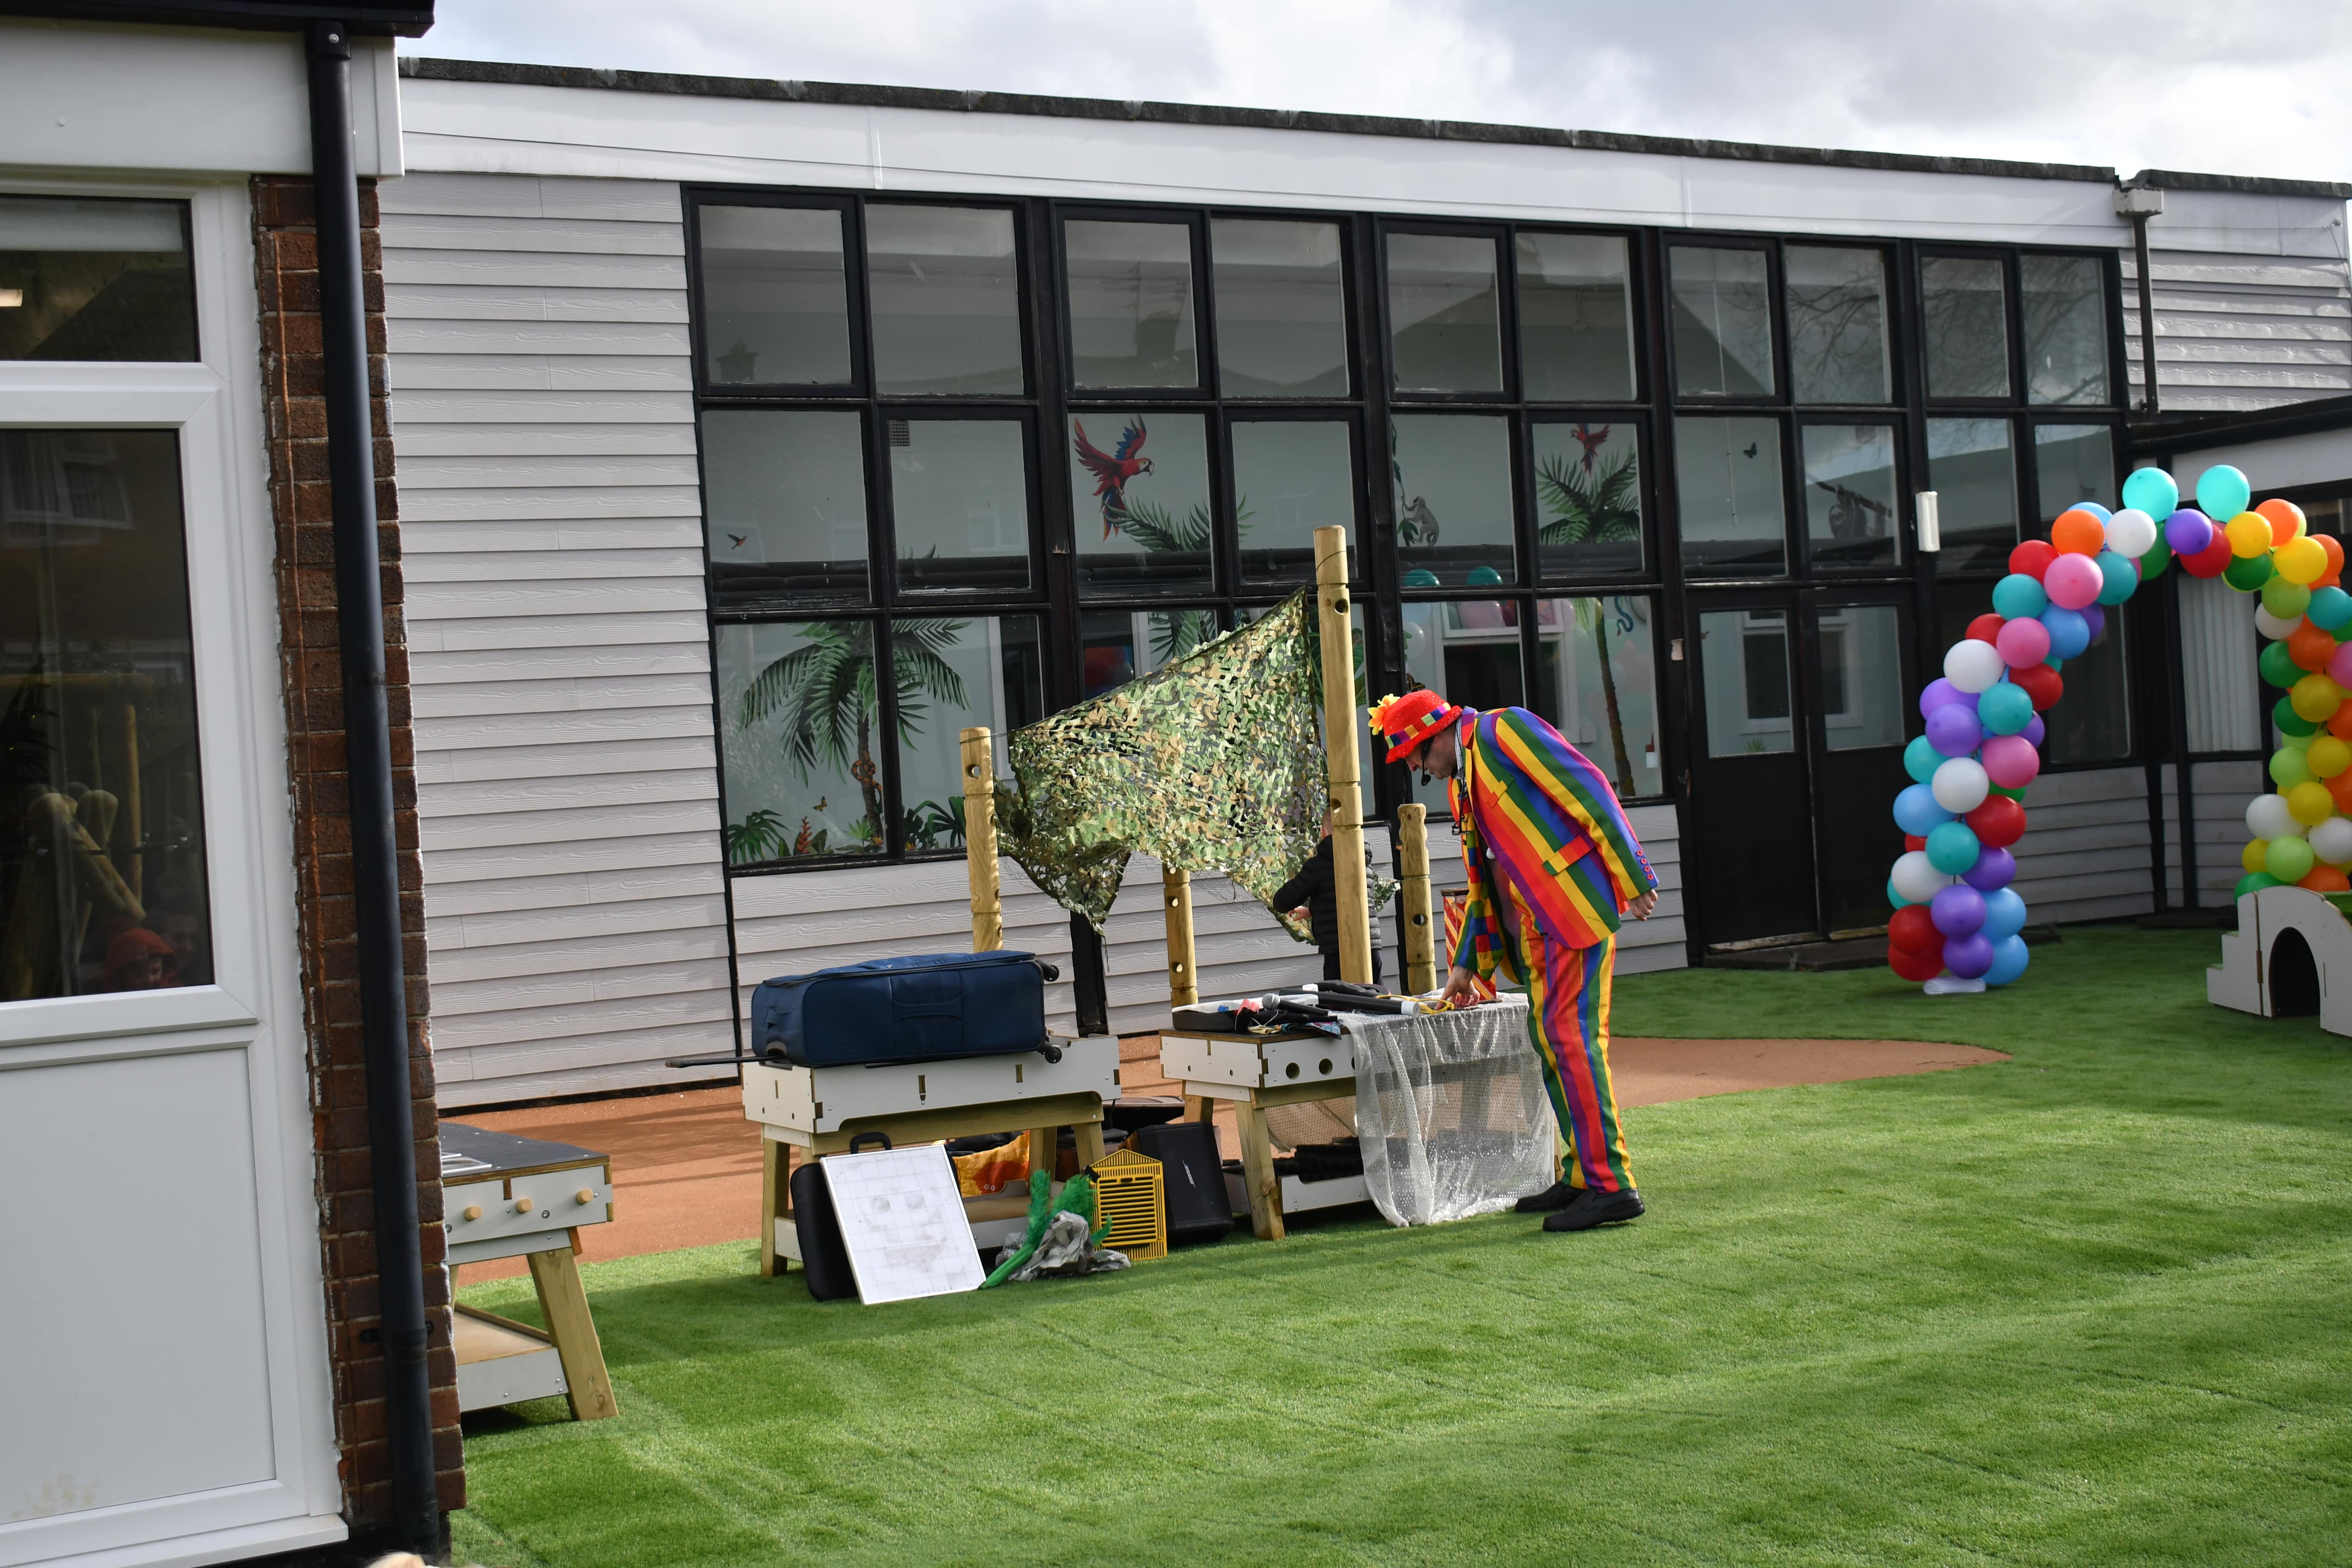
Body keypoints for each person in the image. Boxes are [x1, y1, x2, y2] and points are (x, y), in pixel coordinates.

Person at [1369, 688, 1660, 1233]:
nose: (1415, 767)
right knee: (1554, 1044)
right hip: (1532, 931)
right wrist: (1464, 964)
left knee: (1573, 1043)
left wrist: (1634, 873)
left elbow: (1589, 787)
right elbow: (1483, 878)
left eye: (1413, 755)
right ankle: (1582, 1174)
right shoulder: (1463, 780)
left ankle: (1611, 1184)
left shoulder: (1506, 731)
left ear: (1433, 734)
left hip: (1570, 912)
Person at [1271, 808, 1383, 985]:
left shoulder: (1319, 865)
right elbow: (1343, 899)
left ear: (1324, 833)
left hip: (1339, 949)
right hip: (1371, 945)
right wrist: (1312, 910)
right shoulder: (1362, 860)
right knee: (1377, 997)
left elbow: (1282, 901)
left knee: (1341, 1004)